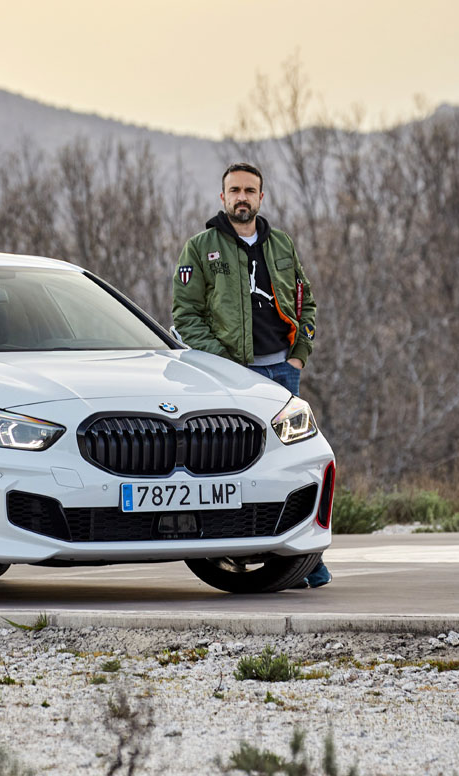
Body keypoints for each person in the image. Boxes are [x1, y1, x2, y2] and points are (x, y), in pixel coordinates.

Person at [171, 162, 331, 588]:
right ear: (222, 197)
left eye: (250, 190)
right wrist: (224, 365)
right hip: (232, 377)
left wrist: (299, 354)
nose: (242, 197)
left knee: (293, 465)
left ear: (262, 197)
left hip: (283, 373)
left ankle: (305, 562)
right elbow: (185, 315)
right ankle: (241, 554)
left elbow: (306, 301)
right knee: (238, 466)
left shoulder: (282, 244)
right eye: (234, 190)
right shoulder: (200, 248)